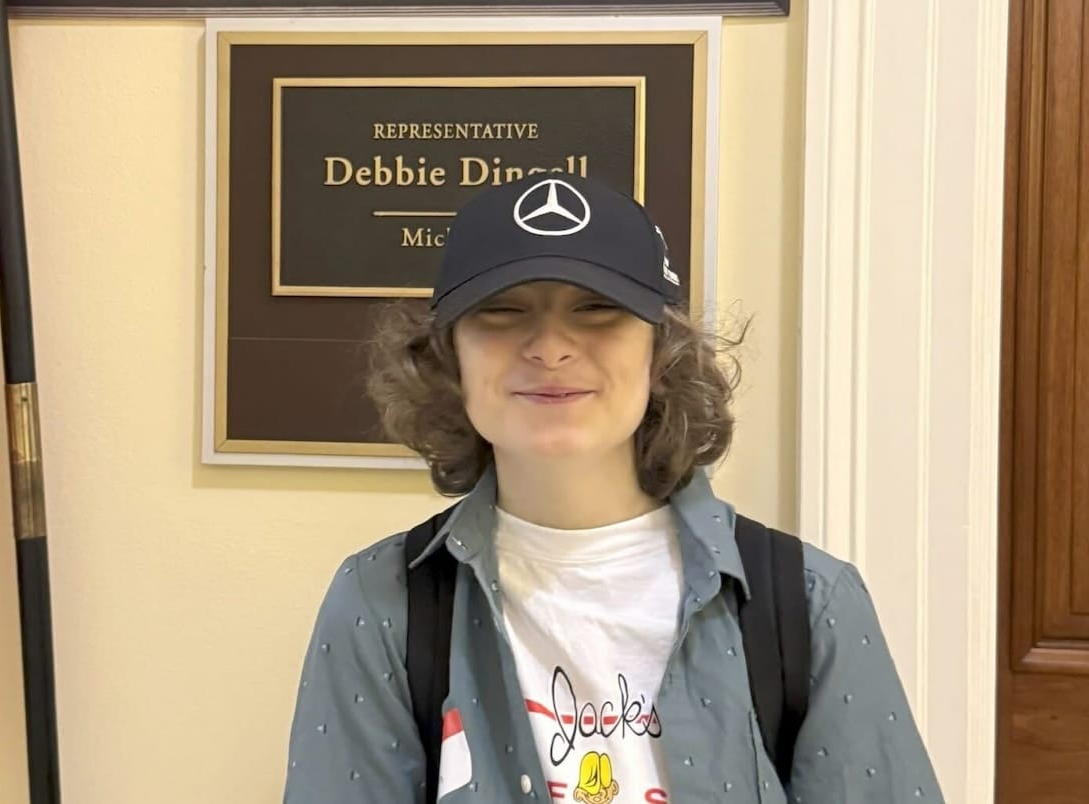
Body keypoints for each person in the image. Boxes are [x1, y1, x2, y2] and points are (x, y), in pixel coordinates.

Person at [281, 173, 943, 803]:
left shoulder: (809, 603)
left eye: (598, 309)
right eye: (502, 312)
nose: (549, 348)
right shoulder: (382, 604)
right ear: (449, 355)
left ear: (661, 350)